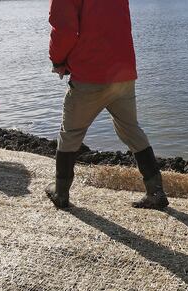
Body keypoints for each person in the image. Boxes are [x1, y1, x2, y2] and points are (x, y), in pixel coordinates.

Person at [44, 0, 169, 210]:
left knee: (71, 133)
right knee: (131, 130)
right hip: (123, 71)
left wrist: (57, 61)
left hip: (90, 73)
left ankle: (61, 192)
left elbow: (64, 29)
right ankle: (156, 191)